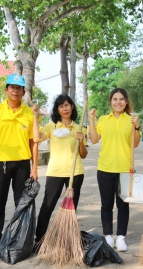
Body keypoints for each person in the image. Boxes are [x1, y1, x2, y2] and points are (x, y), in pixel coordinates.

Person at [0, 74, 38, 255]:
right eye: (11, 87)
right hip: (1, 164)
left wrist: (34, 167)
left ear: (23, 92)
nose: (15, 90)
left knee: (22, 203)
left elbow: (33, 142)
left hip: (22, 164)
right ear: (6, 90)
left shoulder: (29, 113)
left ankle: (20, 239)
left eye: (18, 88)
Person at [88, 88, 140, 252]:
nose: (118, 102)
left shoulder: (130, 119)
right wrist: (91, 119)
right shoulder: (103, 119)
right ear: (111, 102)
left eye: (121, 99)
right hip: (105, 168)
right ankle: (108, 236)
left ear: (126, 102)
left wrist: (137, 126)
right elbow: (94, 139)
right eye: (115, 99)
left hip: (125, 168)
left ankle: (121, 238)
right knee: (106, 205)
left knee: (123, 205)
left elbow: (136, 143)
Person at [33, 94, 87, 249]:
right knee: (47, 205)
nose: (65, 108)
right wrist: (35, 117)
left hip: (75, 172)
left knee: (71, 208)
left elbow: (83, 154)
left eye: (67, 105)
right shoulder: (52, 126)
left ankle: (68, 240)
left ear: (72, 107)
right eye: (61, 106)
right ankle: (40, 240)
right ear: (57, 109)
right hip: (55, 171)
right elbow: (36, 138)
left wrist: (81, 140)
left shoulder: (78, 128)